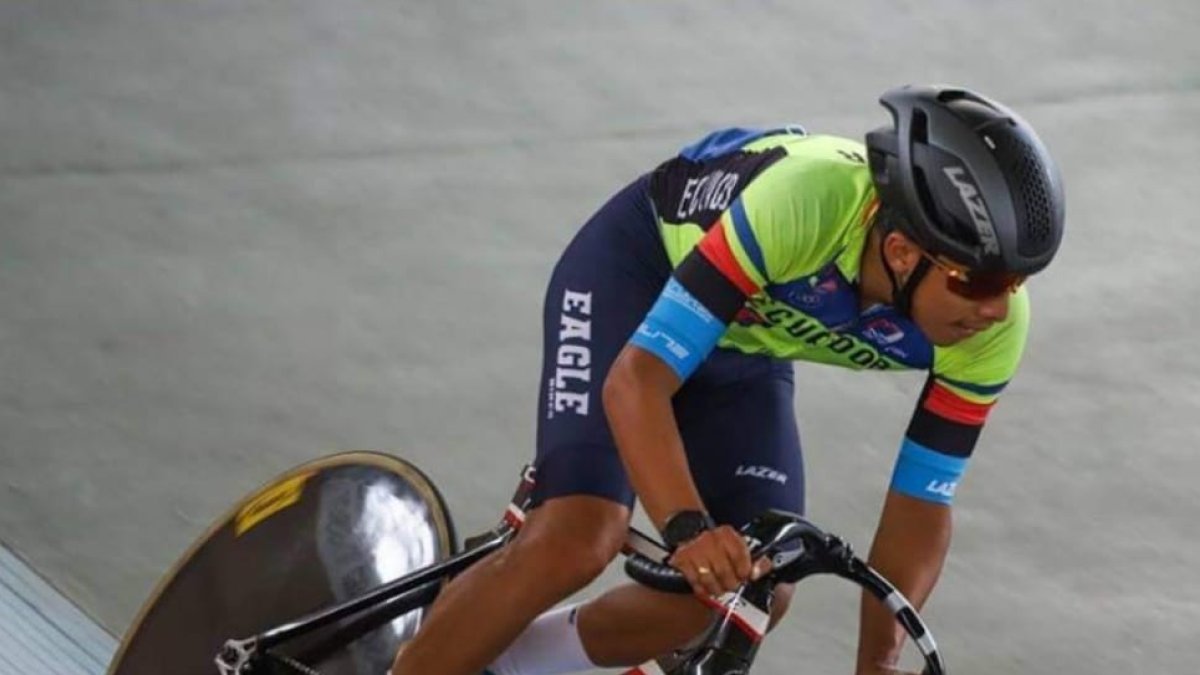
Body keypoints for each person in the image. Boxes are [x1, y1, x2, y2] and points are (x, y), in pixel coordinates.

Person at [390, 84, 1065, 675]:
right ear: (899, 249)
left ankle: (501, 663)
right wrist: (686, 528)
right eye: (975, 280)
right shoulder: (807, 200)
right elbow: (636, 381)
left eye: (1015, 283)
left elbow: (921, 501)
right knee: (580, 533)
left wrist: (878, 662)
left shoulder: (994, 327)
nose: (996, 307)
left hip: (742, 340)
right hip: (641, 272)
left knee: (751, 591)